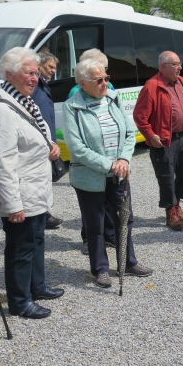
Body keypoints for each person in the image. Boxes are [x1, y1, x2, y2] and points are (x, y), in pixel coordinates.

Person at [0, 47, 64, 320]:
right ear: (10, 74)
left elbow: (32, 137)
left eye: (37, 73)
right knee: (21, 248)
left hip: (34, 190)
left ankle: (37, 287)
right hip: (20, 194)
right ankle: (19, 301)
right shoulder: (1, 111)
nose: (35, 78)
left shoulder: (24, 102)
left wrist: (49, 146)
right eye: (30, 72)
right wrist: (12, 204)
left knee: (36, 241)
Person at [63, 59, 152, 288]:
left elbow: (129, 135)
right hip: (90, 178)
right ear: (82, 83)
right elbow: (77, 148)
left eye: (106, 78)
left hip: (119, 174)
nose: (105, 84)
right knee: (96, 225)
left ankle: (129, 262)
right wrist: (110, 165)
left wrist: (123, 159)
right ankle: (101, 269)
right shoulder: (72, 107)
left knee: (125, 219)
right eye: (98, 80)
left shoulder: (113, 98)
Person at [133, 51, 183, 231]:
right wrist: (151, 135)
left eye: (179, 63)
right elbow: (139, 116)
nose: (180, 67)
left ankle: (176, 203)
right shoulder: (152, 86)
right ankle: (171, 212)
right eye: (175, 64)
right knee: (166, 177)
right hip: (164, 141)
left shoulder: (182, 82)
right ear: (163, 67)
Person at [68, 49, 116, 254]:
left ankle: (110, 237)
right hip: (90, 165)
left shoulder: (110, 91)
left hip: (112, 165)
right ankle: (89, 239)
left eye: (105, 73)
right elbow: (78, 143)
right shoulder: (75, 97)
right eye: (98, 76)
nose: (103, 80)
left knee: (109, 206)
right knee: (91, 210)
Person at [31, 51, 63, 229]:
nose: (53, 71)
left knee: (45, 177)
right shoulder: (34, 86)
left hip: (47, 137)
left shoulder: (43, 85)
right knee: (39, 177)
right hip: (39, 139)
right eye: (50, 67)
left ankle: (43, 212)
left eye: (55, 68)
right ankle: (42, 214)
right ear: (39, 65)